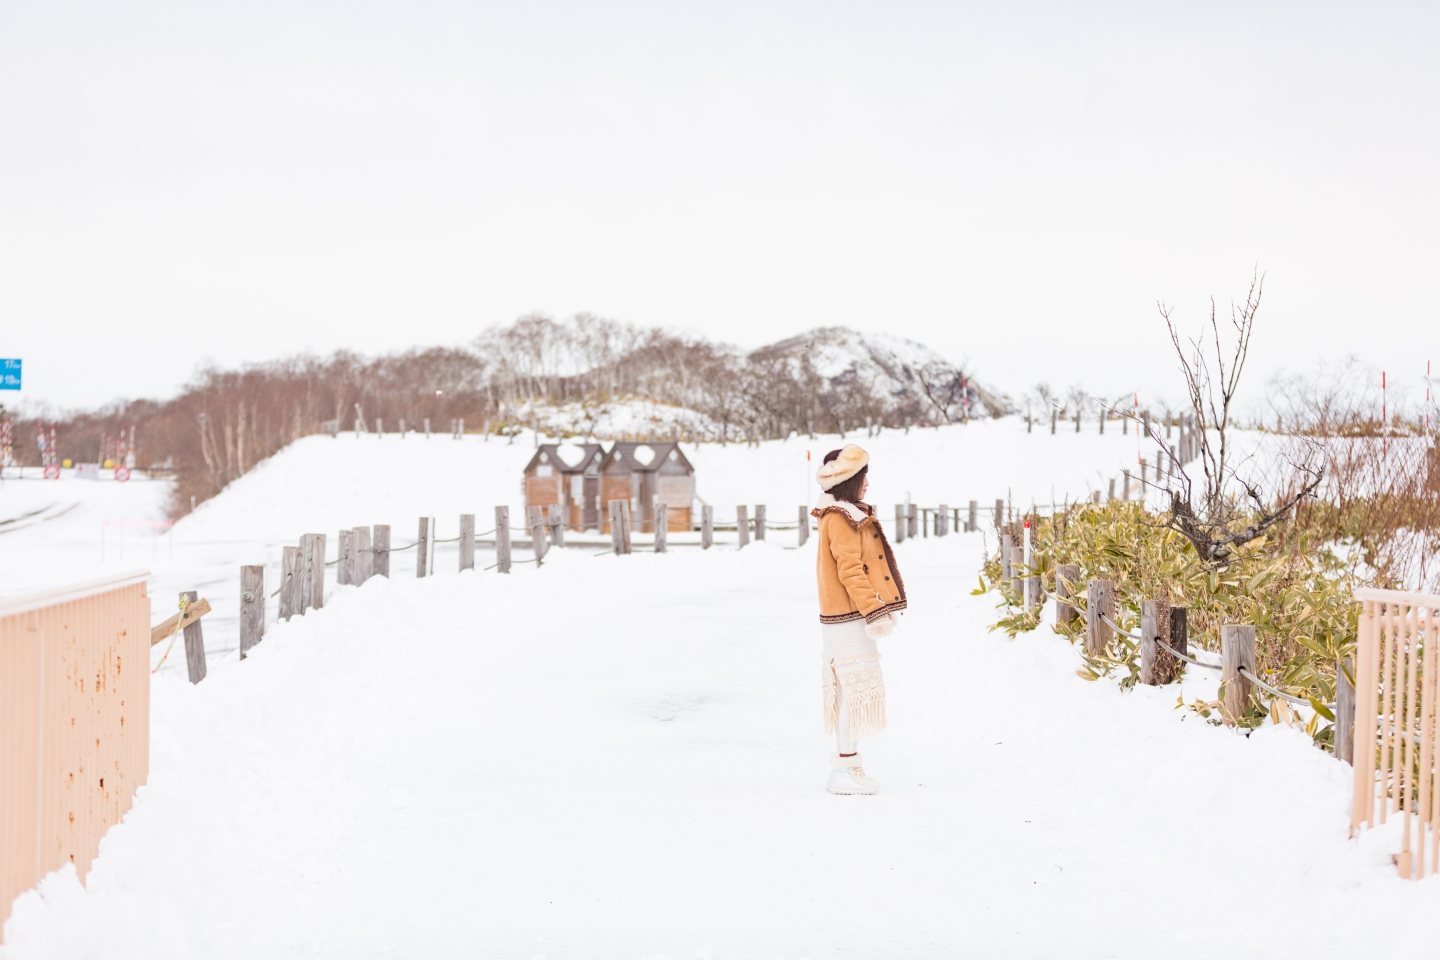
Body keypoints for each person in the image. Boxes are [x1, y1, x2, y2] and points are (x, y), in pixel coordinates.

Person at [811, 444, 907, 795]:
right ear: (850, 479)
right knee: (852, 691)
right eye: (863, 475)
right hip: (848, 618)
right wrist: (873, 611)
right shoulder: (840, 518)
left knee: (851, 692)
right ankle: (844, 767)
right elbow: (850, 571)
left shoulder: (843, 514)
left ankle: (847, 765)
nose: (867, 482)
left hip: (847, 616)